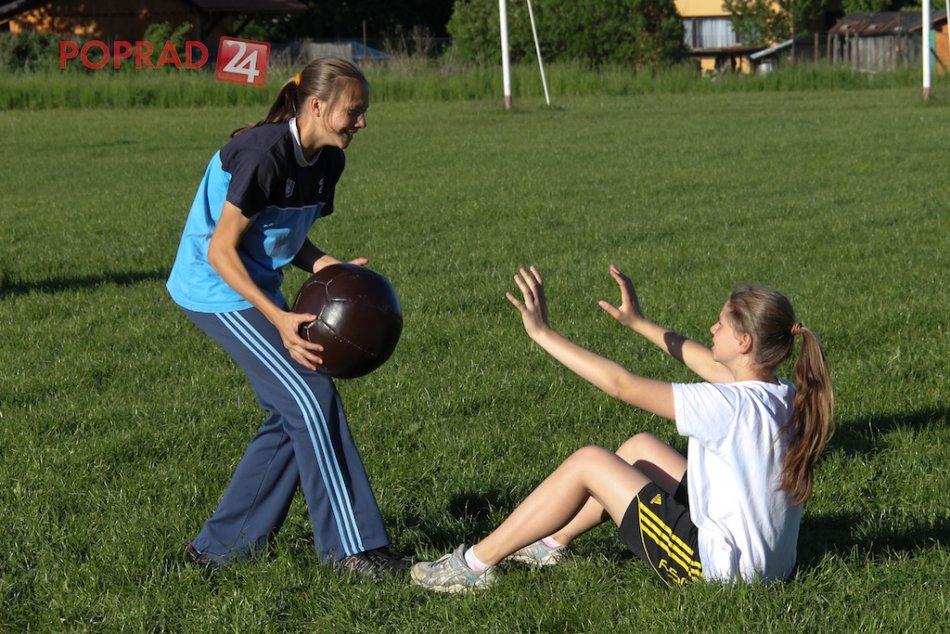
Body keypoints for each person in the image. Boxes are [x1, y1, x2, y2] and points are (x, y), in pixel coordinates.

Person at [411, 264, 833, 592]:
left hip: (715, 572)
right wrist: (638, 322)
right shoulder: (784, 393)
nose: (712, 329)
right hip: (768, 567)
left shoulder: (728, 406)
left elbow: (621, 384)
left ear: (744, 343)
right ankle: (550, 544)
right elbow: (703, 361)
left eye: (721, 324)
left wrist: (543, 334)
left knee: (588, 462)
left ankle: (472, 566)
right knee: (640, 449)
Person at [166, 57, 411, 578]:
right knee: (311, 396)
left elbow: (285, 235)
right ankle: (352, 550)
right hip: (216, 288)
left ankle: (221, 548)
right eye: (354, 111)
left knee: (291, 409)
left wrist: (329, 267)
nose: (362, 122)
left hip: (256, 286)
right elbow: (220, 252)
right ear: (317, 106)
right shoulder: (263, 154)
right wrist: (278, 316)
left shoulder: (328, 162)